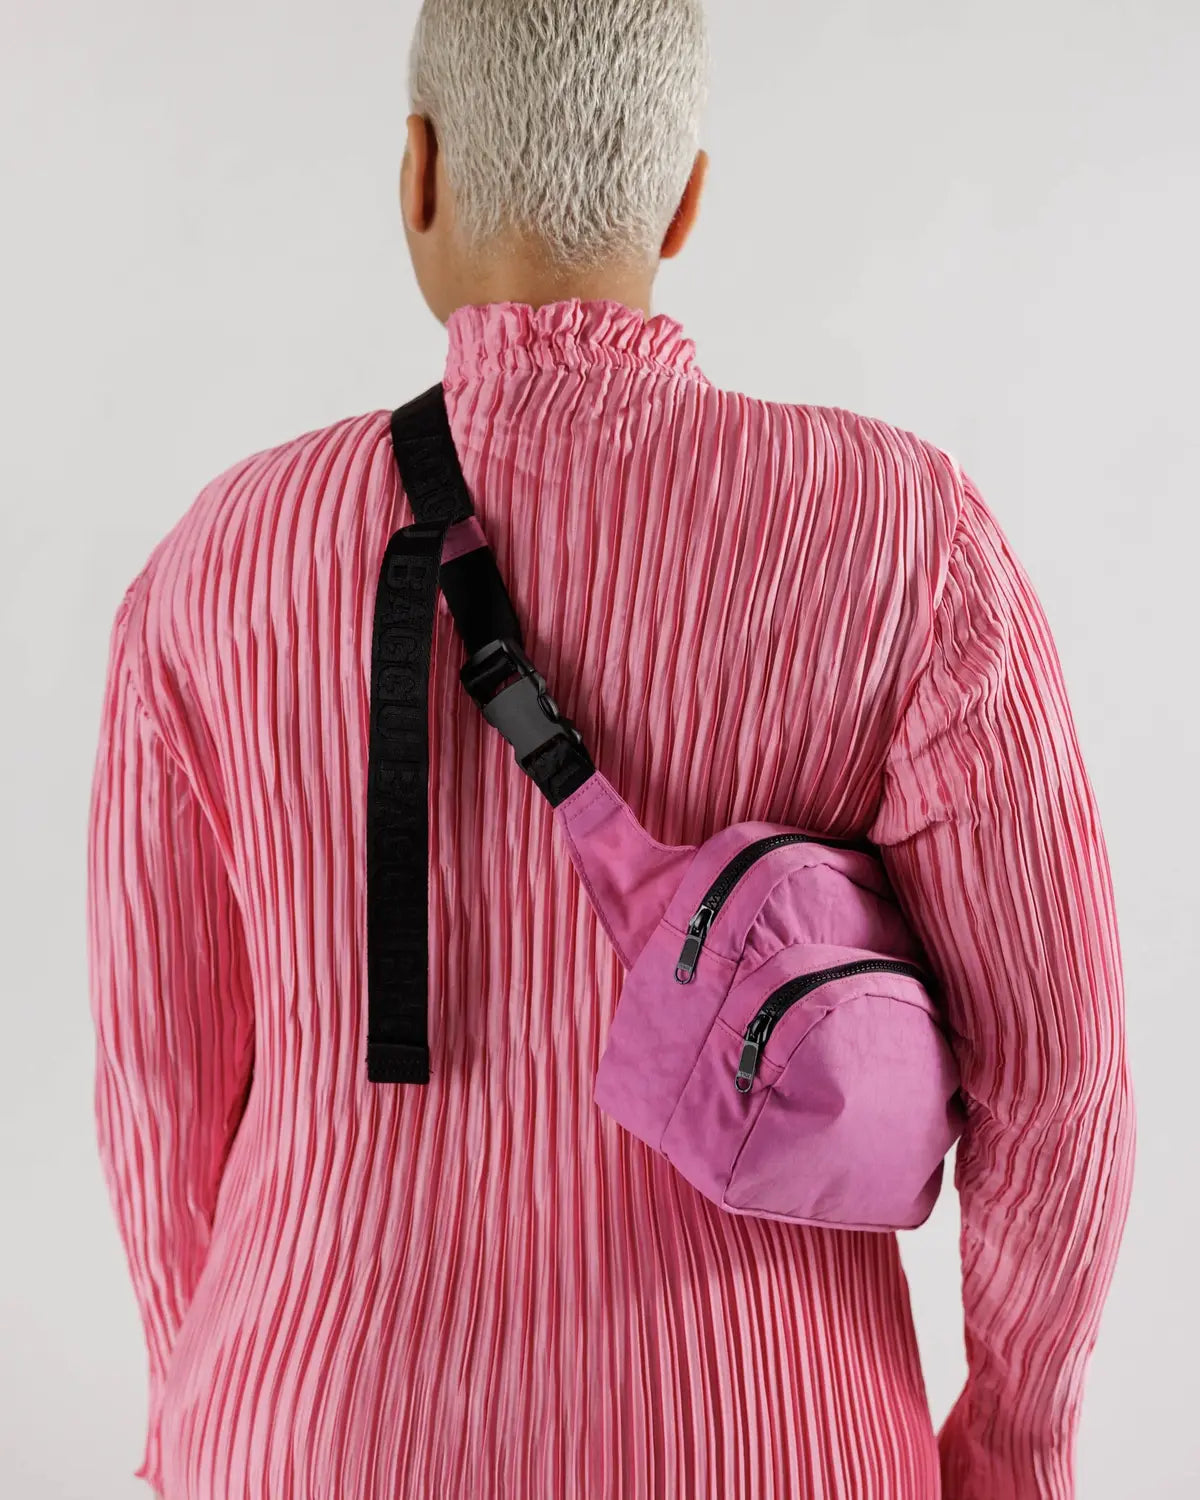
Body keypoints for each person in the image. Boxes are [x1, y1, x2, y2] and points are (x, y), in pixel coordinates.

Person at [85, 2, 1134, 1498]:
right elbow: (1059, 1077)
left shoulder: (213, 564)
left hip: (311, 1435)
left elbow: (157, 1079)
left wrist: (205, 1399)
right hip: (774, 1443)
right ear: (685, 200)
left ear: (418, 174)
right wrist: (1009, 1453)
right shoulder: (902, 538)